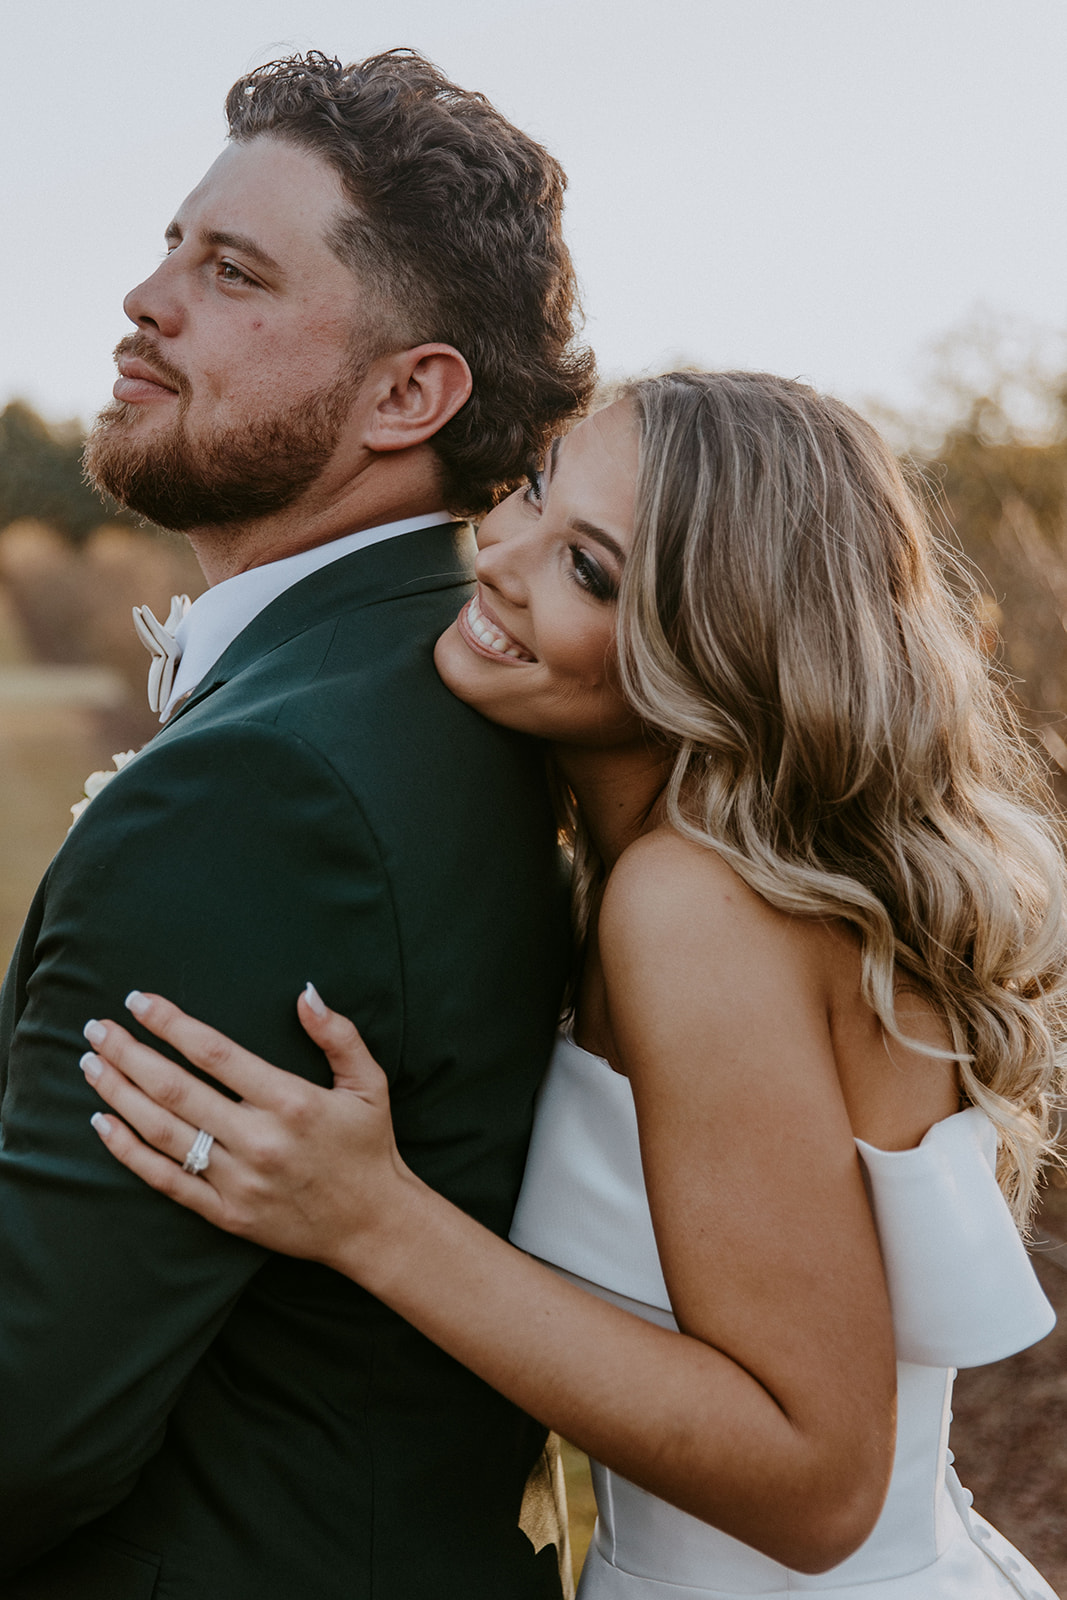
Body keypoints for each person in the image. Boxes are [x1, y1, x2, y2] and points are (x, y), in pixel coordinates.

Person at [83, 372, 1065, 1599]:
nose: (495, 556)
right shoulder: (681, 877)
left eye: (588, 571)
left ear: (713, 645)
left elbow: (816, 1488)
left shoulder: (693, 908)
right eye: (533, 492)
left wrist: (370, 1216)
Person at [0, 49, 596, 1600]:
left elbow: (26, 1425)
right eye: (169, 247)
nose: (145, 297)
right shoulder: (417, 691)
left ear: (409, 392)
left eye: (231, 270)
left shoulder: (272, 788)